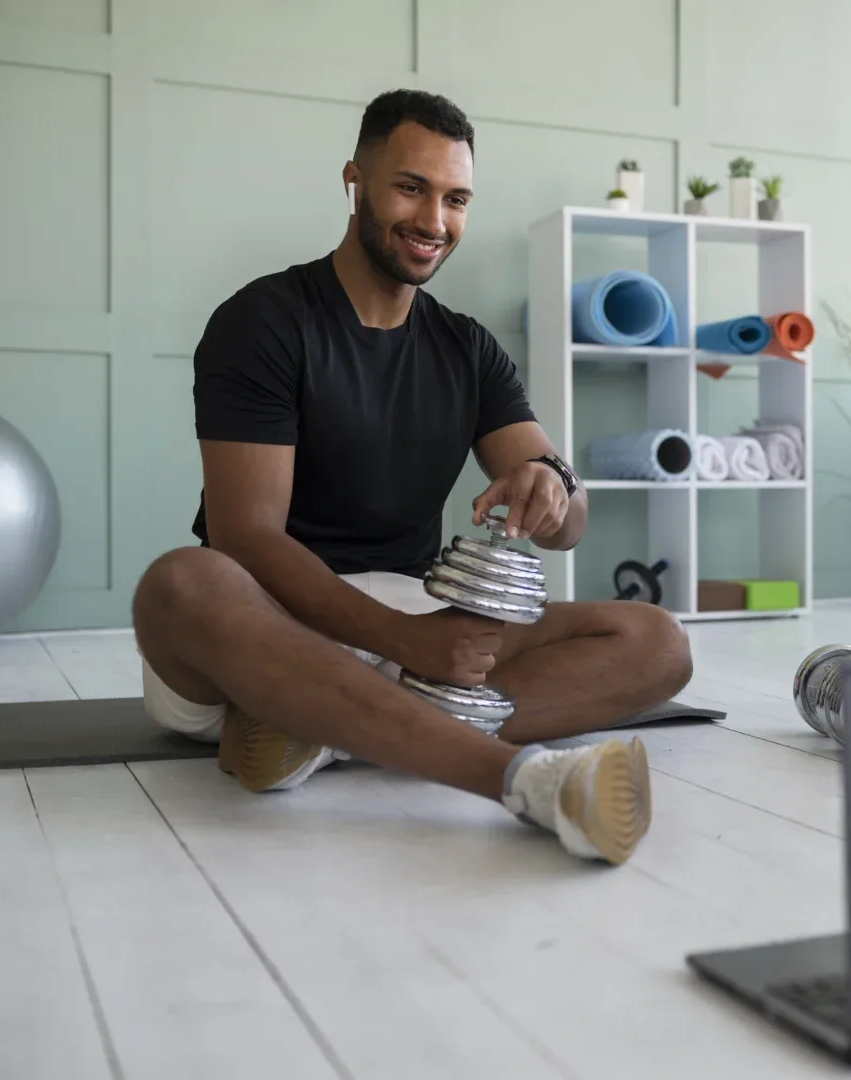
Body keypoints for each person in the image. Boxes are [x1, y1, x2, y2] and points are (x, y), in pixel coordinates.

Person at [131, 89, 693, 866]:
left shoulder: (466, 348)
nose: (434, 221)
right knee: (182, 582)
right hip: (267, 630)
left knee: (655, 642)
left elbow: (567, 519)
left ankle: (321, 736)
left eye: (455, 198)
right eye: (410, 188)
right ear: (354, 180)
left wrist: (553, 487)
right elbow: (247, 537)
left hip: (408, 621)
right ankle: (525, 780)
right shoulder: (262, 320)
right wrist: (408, 642)